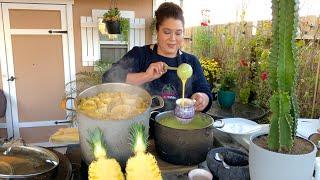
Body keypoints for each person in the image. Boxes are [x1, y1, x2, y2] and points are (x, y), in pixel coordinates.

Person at [103, 2, 212, 112]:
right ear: (157, 32)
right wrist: (146, 76)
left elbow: (205, 92)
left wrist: (202, 98)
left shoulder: (191, 61)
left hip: (181, 126)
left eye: (178, 33)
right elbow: (108, 78)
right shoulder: (140, 55)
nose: (173, 39)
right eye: (167, 32)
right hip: (144, 125)